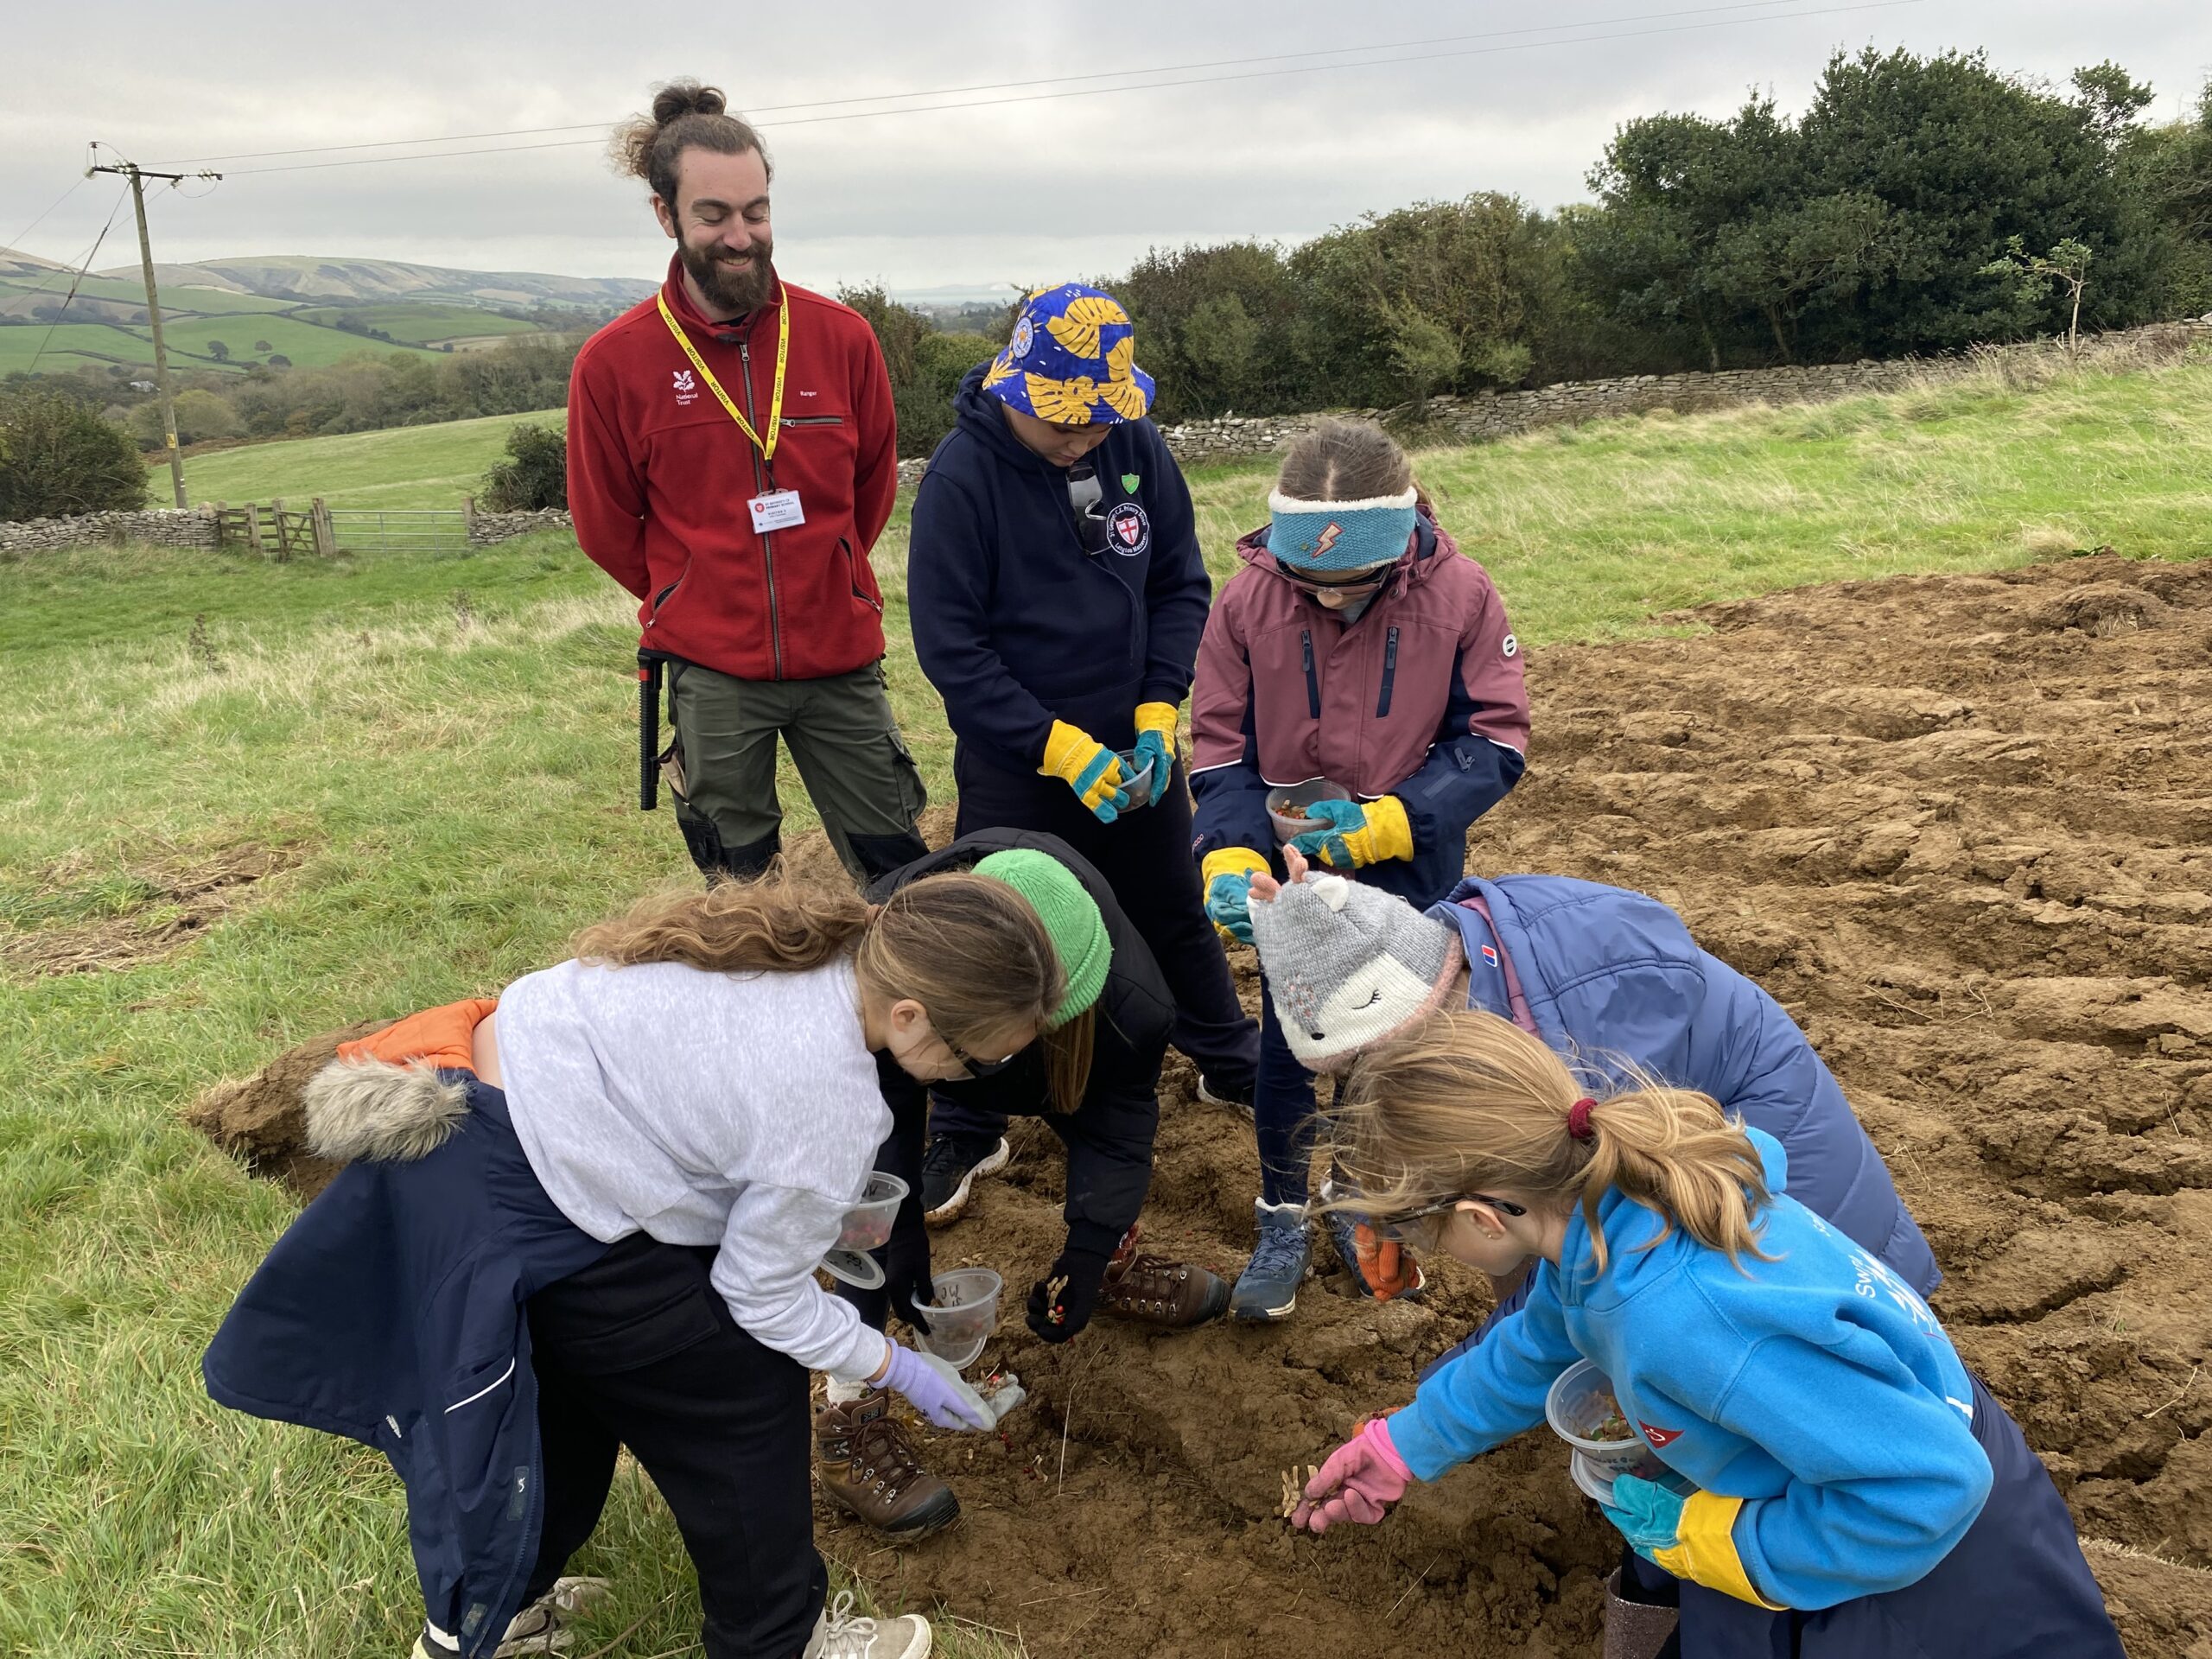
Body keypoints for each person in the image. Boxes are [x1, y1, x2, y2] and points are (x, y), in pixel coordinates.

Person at [203, 872, 1065, 1659]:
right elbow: (758, 1296)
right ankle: (780, 1641)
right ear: (909, 1014)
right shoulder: (831, 1103)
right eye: (975, 1054)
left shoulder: (799, 938)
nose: (974, 1072)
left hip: (472, 1122)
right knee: (735, 1387)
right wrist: (893, 1364)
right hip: (530, 1186)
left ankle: (501, 1615)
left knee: (573, 1389)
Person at [1287, 1008, 2124, 1659]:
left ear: (1478, 1218)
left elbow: (1932, 1489)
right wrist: (1402, 1447)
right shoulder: (1599, 1213)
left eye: (1428, 1239)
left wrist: (1724, 1542)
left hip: (1923, 1569)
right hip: (1851, 1480)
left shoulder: (1674, 1321)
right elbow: (1531, 1346)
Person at [1244, 854, 1939, 1341]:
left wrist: (1500, 1363)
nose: (1373, 1079)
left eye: (1369, 1058)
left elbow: (1577, 1256)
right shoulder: (1455, 965)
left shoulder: (1576, 1053)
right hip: (1700, 1157)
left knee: (1725, 1352)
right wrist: (1396, 1209)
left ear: (1409, 1015)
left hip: (1775, 1185)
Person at [905, 282, 1260, 1206]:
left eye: (1101, 422)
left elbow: (1181, 583)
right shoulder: (959, 481)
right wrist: (1056, 749)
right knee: (1000, 937)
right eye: (1066, 423)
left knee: (1172, 907)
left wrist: (1156, 709)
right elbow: (953, 651)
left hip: (1136, 752)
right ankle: (969, 1128)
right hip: (1016, 763)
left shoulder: (1132, 442)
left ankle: (1226, 1060)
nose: (1084, 439)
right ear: (1016, 390)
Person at [1185, 419, 1529, 1319]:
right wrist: (1225, 850)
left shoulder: (1459, 594)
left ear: (1402, 541)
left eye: (1355, 584)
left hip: (1410, 870)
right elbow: (1220, 748)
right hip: (1287, 873)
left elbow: (1493, 738)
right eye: (1313, 584)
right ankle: (1281, 1215)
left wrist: (1392, 821)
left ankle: (1354, 1198)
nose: (1332, 602)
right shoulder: (1244, 604)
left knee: (1386, 1045)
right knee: (1288, 1046)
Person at [819, 830, 1233, 1536]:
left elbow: (1119, 1124)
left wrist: (1089, 1252)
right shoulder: (897, 943)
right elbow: (874, 1120)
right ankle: (846, 1416)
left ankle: (1113, 1268)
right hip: (928, 1031)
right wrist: (901, 1226)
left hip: (1062, 1041)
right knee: (866, 1222)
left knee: (1093, 1117)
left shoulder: (1128, 1005)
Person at [568, 82, 926, 885]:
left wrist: (825, 566)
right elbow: (604, 524)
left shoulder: (842, 338)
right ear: (666, 215)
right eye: (714, 215)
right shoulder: (613, 363)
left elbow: (869, 491)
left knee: (903, 878)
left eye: (756, 211)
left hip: (840, 659)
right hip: (713, 674)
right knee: (740, 896)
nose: (741, 236)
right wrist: (693, 589)